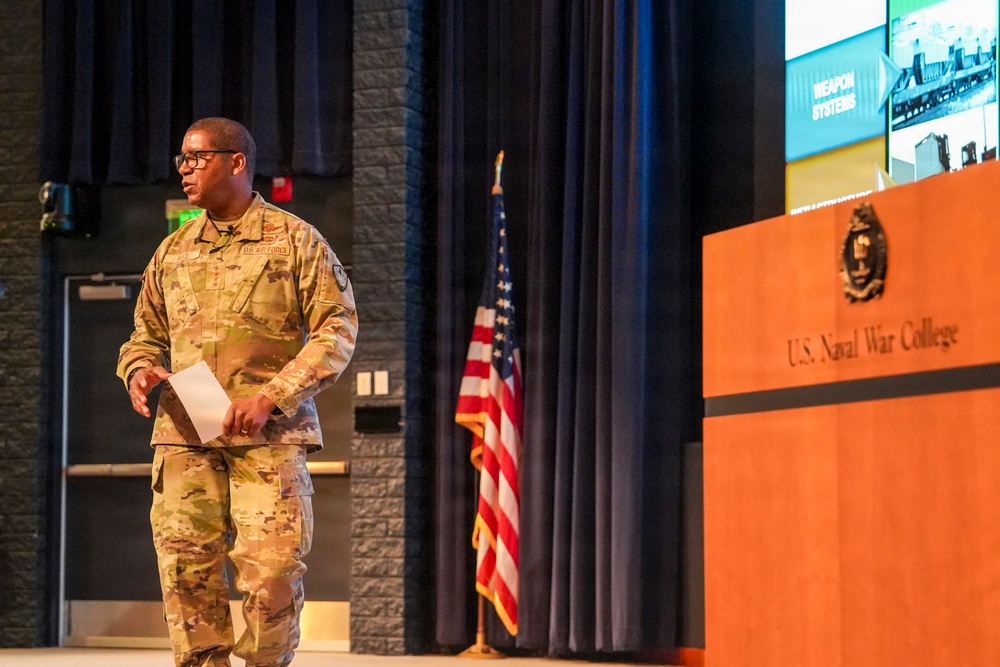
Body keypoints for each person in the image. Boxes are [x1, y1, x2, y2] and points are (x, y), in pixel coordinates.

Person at [117, 117, 358, 667]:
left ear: (236, 162)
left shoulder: (294, 240)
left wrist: (273, 395)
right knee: (186, 574)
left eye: (197, 158)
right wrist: (139, 369)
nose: (184, 170)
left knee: (271, 576)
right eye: (180, 160)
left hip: (267, 438)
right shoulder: (172, 251)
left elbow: (337, 328)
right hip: (184, 438)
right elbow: (144, 335)